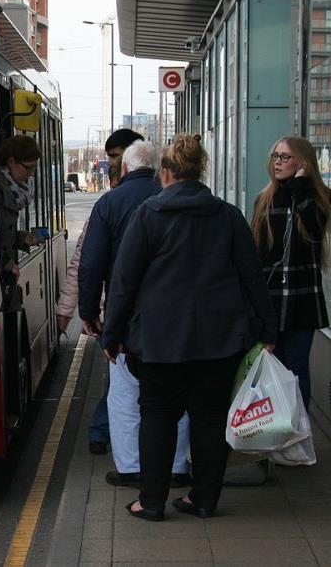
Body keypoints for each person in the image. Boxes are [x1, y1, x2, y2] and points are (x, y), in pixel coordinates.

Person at [102, 135, 277, 521]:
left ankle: (150, 502)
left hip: (159, 342)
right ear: (200, 172)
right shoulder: (228, 215)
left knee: (157, 417)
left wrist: (111, 335)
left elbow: (123, 282)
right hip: (219, 341)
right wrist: (268, 330)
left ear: (165, 174)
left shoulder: (148, 215)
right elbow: (252, 277)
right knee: (210, 419)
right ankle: (203, 500)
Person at [250, 136, 331, 411]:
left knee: (296, 370)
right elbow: (257, 253)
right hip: (271, 299)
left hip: (301, 299)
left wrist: (300, 186)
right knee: (272, 369)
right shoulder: (265, 199)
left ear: (302, 163)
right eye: (275, 156)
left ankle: (297, 437)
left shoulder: (318, 198)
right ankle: (273, 434)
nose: (278, 163)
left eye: (285, 157)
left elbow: (315, 228)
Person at [77, 128, 144, 455]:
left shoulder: (111, 203)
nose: (111, 164)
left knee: (123, 385)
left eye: (116, 157)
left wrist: (88, 313)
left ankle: (125, 457)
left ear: (130, 161)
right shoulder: (171, 196)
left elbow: (90, 264)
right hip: (173, 316)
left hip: (124, 311)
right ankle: (172, 463)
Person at [0, 134, 40, 292]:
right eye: (28, 168)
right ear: (11, 161)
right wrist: (6, 264)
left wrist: (20, 238)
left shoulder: (12, 190)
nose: (31, 174)